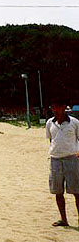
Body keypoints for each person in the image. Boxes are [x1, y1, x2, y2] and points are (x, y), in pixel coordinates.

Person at [45, 97, 79, 227]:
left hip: (71, 159)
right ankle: (64, 219)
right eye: (53, 107)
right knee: (58, 191)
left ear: (64, 107)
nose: (55, 110)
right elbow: (51, 139)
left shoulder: (74, 122)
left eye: (58, 107)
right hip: (55, 160)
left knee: (77, 191)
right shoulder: (50, 123)